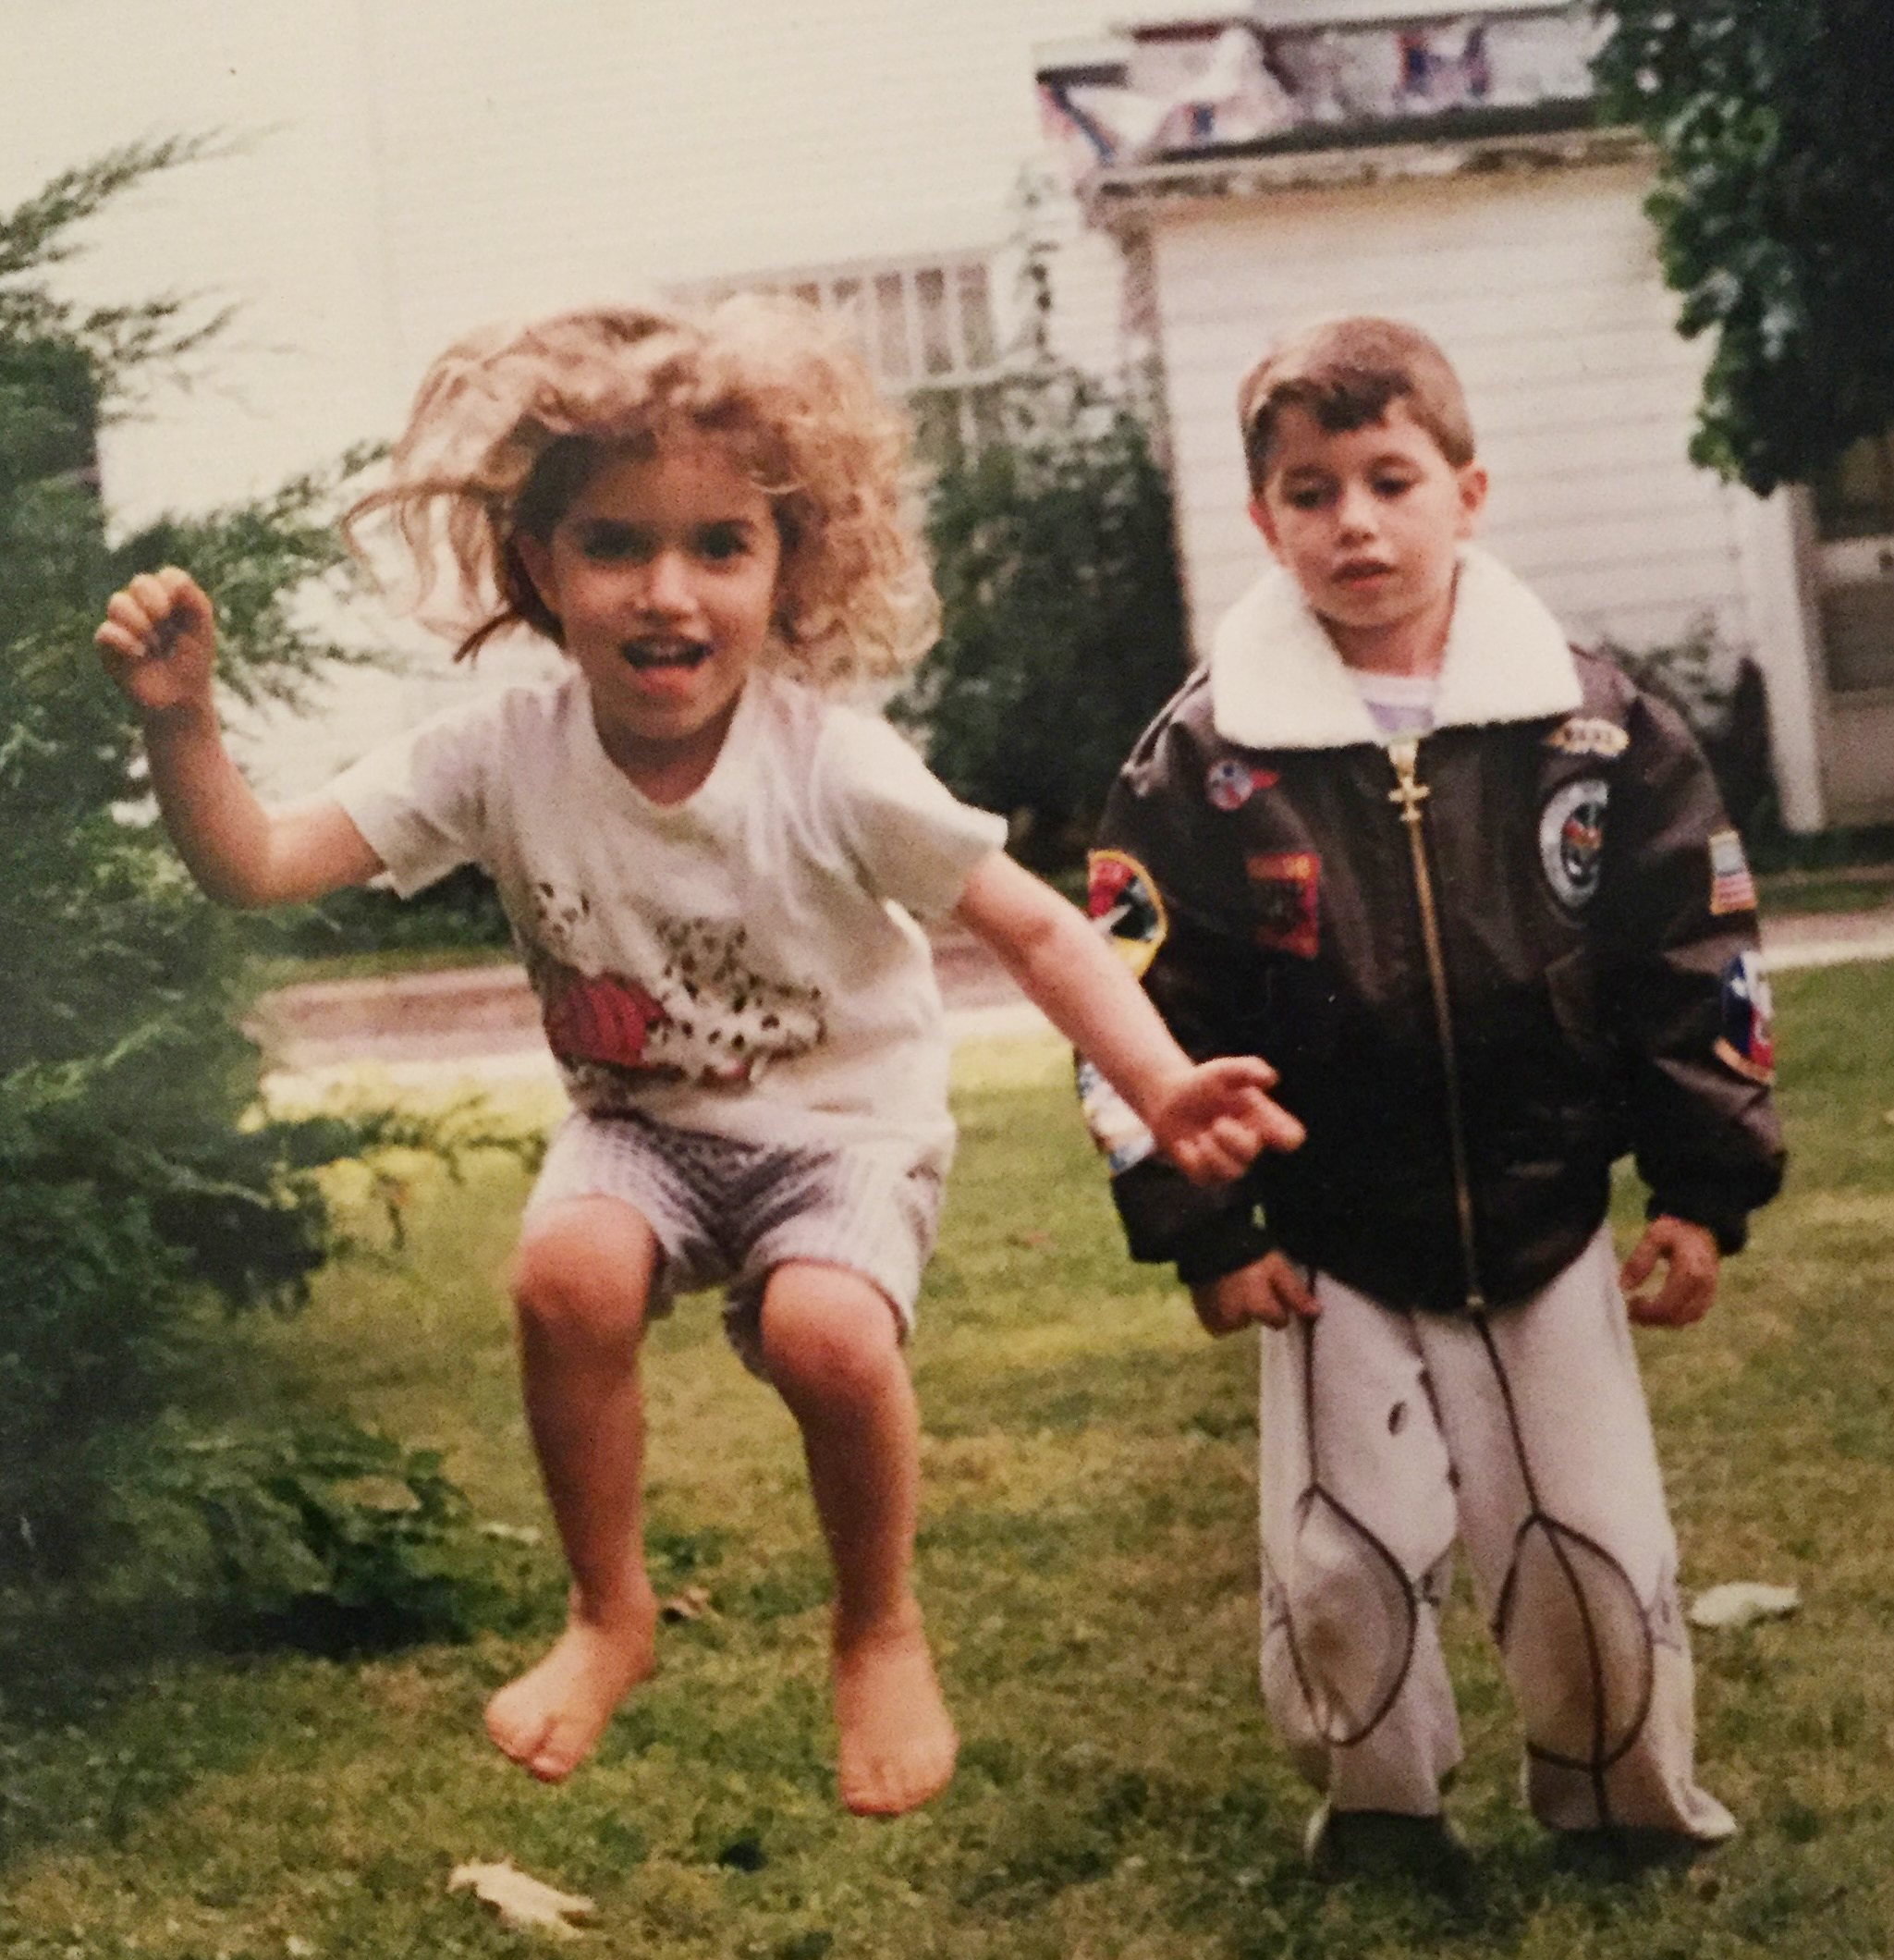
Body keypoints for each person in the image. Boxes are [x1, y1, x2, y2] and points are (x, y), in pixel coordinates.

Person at [96, 298, 1301, 1819]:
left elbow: (1041, 931)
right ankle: (610, 1612)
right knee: (564, 1278)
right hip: (641, 1124)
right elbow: (256, 865)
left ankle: (877, 1627)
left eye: (720, 546)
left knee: (825, 1340)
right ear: (537, 567)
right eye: (613, 543)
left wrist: (1158, 1080)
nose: (668, 591)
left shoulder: (832, 764)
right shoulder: (495, 754)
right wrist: (183, 727)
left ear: (788, 567)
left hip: (840, 1129)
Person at [1079, 314, 1784, 1877]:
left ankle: (1621, 1804)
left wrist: (1698, 1187)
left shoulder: (1596, 733)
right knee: (1344, 1559)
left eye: (1389, 479)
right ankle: (1382, 1816)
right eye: (1312, 492)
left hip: (1546, 1219)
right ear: (1264, 523)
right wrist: (1206, 1225)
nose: (1355, 523)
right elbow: (1126, 1003)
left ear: (1468, 491)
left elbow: (1694, 960)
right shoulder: (1200, 763)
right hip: (1331, 1239)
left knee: (1587, 1544)